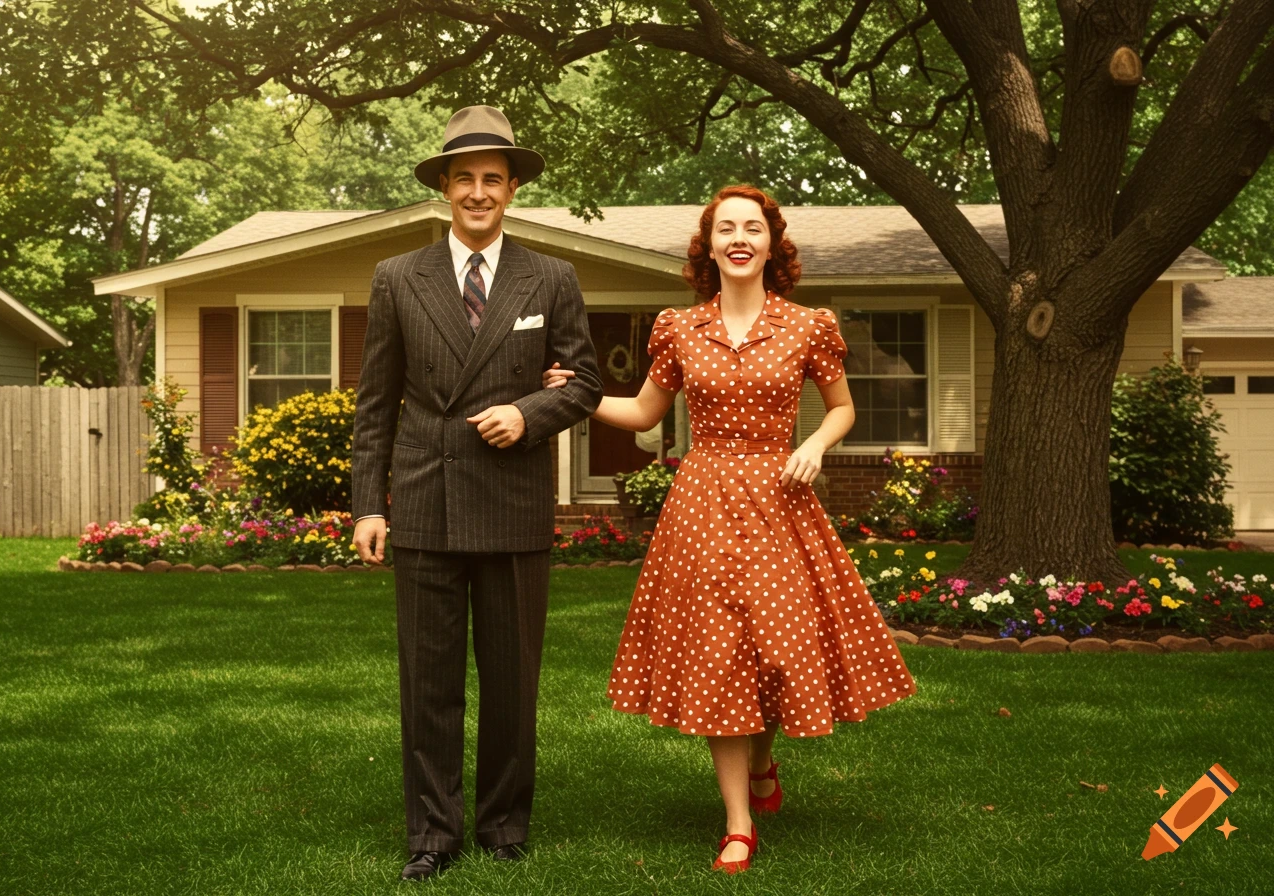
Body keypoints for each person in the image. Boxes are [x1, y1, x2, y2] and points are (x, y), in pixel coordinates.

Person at [544, 185, 916, 873]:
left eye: (753, 227)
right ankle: (738, 822)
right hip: (705, 504)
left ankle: (764, 760)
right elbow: (648, 413)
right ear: (708, 245)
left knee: (777, 648)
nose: (739, 238)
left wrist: (815, 445)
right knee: (720, 653)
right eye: (726, 229)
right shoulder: (679, 329)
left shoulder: (808, 326)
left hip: (781, 497)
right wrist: (580, 396)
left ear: (772, 243)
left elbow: (842, 408)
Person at [351, 105, 603, 882]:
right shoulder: (398, 278)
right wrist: (368, 503)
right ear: (446, 189)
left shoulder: (551, 277)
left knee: (510, 681)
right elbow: (375, 401)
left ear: (513, 188)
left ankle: (502, 824)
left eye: (493, 178)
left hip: (513, 500)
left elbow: (586, 383)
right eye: (465, 179)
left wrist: (526, 413)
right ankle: (432, 832)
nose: (479, 192)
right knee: (427, 682)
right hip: (426, 496)